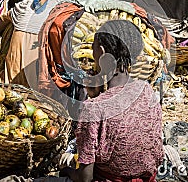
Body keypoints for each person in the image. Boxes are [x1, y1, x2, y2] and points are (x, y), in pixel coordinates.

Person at [60, 19, 164, 181]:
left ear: (101, 52)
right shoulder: (147, 91)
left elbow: (85, 178)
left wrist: (66, 170)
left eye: (93, 47)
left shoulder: (94, 108)